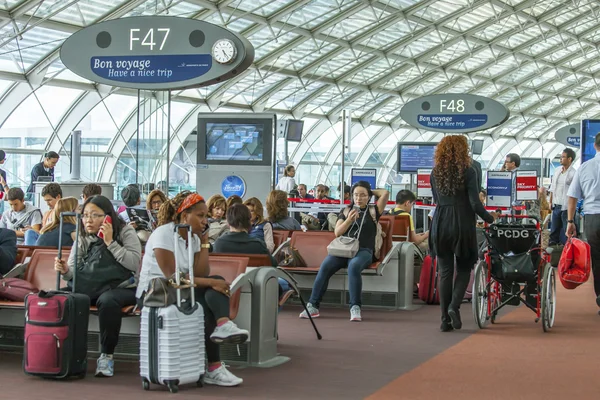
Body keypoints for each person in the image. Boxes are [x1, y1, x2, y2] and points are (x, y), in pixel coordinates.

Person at [136, 191, 247, 387]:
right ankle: (214, 364)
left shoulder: (194, 239)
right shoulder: (163, 233)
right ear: (184, 215)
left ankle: (221, 329)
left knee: (212, 290)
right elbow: (172, 276)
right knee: (214, 285)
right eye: (200, 215)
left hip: (181, 290)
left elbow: (201, 273)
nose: (205, 220)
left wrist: (204, 242)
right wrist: (212, 282)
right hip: (156, 292)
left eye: (206, 216)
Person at [54, 195, 141, 377]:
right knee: (58, 298)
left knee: (107, 301)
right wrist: (64, 270)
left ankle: (106, 355)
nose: (88, 220)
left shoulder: (125, 232)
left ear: (108, 216)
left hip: (124, 287)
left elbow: (133, 264)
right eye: (85, 215)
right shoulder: (83, 235)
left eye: (94, 215)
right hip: (91, 285)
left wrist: (110, 242)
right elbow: (74, 274)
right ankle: (66, 353)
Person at [430, 136, 495, 332]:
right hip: (462, 222)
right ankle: (454, 306)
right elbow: (475, 203)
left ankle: (444, 320)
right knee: (465, 268)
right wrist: (490, 218)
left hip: (440, 222)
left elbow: (436, 198)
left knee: (445, 272)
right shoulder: (469, 170)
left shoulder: (435, 172)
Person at [300, 181, 389, 322]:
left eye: (363, 195)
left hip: (364, 251)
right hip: (343, 249)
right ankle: (313, 305)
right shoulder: (346, 211)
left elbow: (384, 193)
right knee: (326, 265)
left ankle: (355, 307)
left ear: (369, 197)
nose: (359, 198)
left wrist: (369, 190)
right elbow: (337, 232)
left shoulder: (373, 211)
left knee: (353, 266)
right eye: (356, 195)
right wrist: (348, 220)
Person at [566, 132, 600, 313]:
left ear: (595, 146)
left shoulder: (585, 167)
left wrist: (570, 221)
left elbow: (572, 196)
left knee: (597, 259)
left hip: (592, 218)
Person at [549, 148, 577, 246]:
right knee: (554, 231)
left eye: (563, 157)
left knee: (567, 233)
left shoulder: (574, 173)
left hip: (566, 207)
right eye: (561, 157)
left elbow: (574, 192)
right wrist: (550, 202)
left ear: (570, 159)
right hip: (556, 205)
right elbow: (552, 188)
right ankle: (553, 255)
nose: (561, 159)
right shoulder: (557, 171)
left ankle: (568, 254)